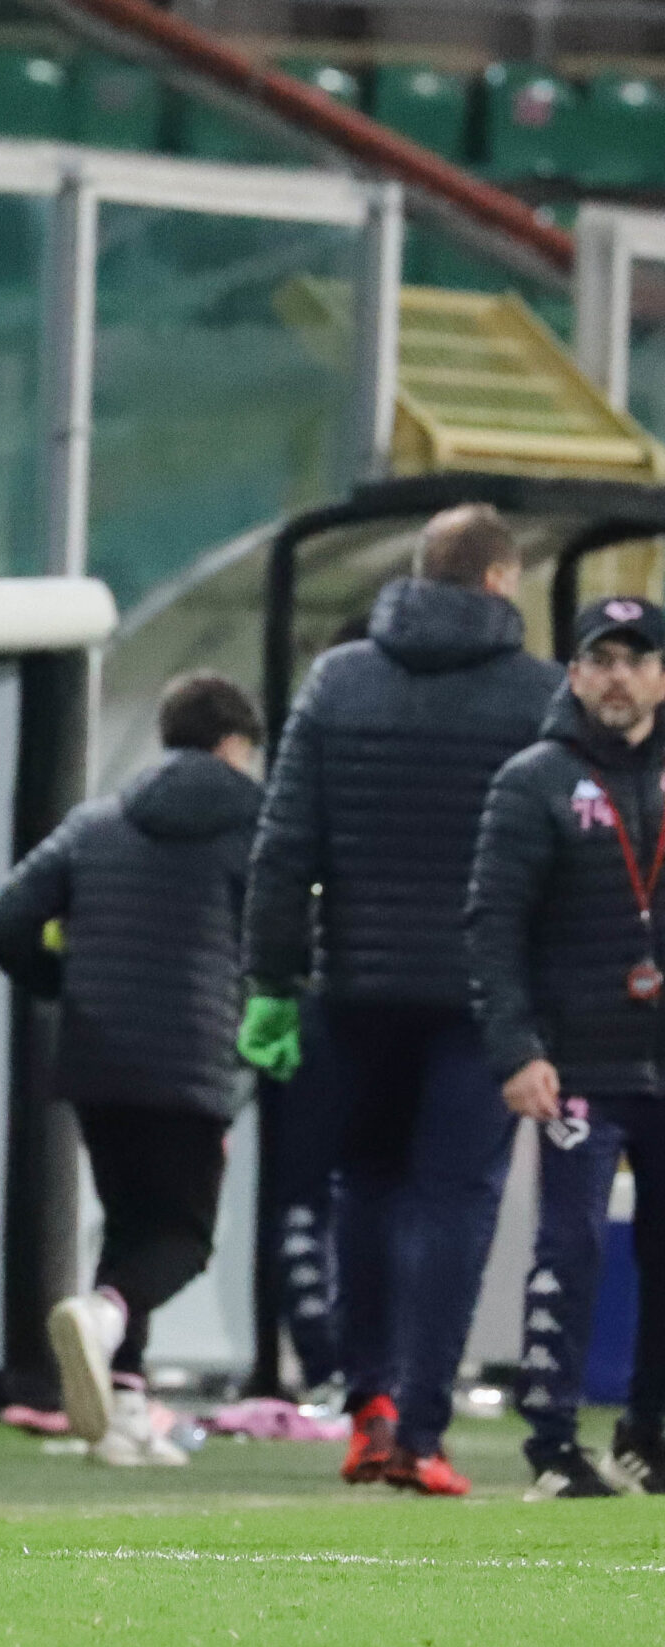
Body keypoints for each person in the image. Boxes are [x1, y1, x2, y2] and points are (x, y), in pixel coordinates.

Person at [241, 504, 563, 1496]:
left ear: (418, 573)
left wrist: (275, 982)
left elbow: (284, 845)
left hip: (356, 989)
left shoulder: (338, 681)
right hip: (482, 1000)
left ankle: (368, 1403)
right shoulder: (539, 696)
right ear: (501, 582)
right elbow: (560, 862)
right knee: (454, 1202)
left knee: (364, 1191)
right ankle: (423, 1430)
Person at [0, 672, 264, 1468]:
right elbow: (284, 937)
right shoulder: (255, 826)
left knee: (132, 1222)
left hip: (97, 1056)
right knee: (184, 1238)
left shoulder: (96, 821)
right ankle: (108, 1318)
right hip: (194, 1056)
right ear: (235, 744)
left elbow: (2, 920)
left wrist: (65, 988)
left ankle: (125, 1410)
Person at [468, 596, 665, 1499]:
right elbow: (493, 927)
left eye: (637, 658)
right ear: (575, 673)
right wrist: (517, 1050)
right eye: (602, 659)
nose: (619, 676)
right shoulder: (533, 780)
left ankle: (647, 1433)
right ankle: (551, 1444)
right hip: (577, 1062)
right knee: (572, 1244)